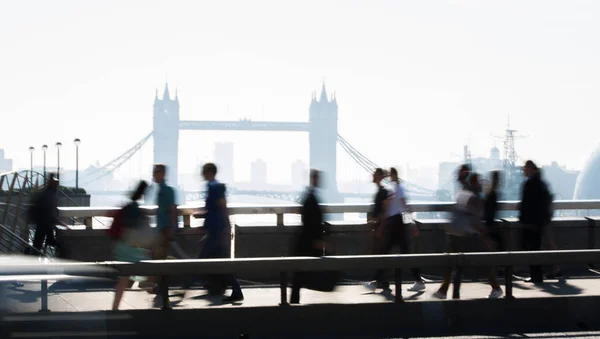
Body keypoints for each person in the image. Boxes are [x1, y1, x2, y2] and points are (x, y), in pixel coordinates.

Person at [433, 173, 503, 299]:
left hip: (462, 234)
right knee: (462, 264)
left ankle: (446, 291)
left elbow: (465, 216)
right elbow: (474, 219)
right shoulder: (473, 197)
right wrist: (485, 237)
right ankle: (448, 291)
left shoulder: (464, 193)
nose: (480, 184)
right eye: (478, 182)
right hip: (465, 234)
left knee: (454, 264)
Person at [366, 167, 426, 292]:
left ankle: (376, 281)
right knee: (399, 252)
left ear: (393, 175)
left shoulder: (398, 189)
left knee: (387, 251)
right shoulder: (395, 188)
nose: (388, 177)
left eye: (390, 175)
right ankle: (418, 281)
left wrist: (413, 224)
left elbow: (405, 206)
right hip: (395, 222)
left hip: (397, 223)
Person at [197, 163, 244, 303]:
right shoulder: (214, 186)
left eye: (204, 171)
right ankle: (234, 289)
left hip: (216, 231)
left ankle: (185, 288)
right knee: (219, 263)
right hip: (216, 230)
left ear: (209, 172)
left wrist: (226, 227)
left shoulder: (213, 187)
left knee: (202, 261)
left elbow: (221, 207)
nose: (202, 173)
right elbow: (218, 208)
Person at [111, 181, 154, 310]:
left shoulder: (130, 206)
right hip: (128, 248)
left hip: (121, 246)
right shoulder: (134, 209)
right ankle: (148, 286)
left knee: (124, 280)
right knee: (151, 266)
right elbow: (132, 231)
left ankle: (115, 308)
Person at [290, 169, 328, 304]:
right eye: (318, 178)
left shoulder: (310, 196)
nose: (320, 180)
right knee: (301, 274)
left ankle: (294, 301)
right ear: (313, 179)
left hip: (307, 241)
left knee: (300, 275)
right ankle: (294, 303)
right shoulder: (311, 198)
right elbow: (310, 222)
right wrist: (316, 240)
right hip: (308, 242)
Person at [145, 164, 178, 309]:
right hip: (160, 230)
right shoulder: (160, 190)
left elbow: (172, 209)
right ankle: (161, 291)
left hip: (164, 231)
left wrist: (170, 228)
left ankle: (165, 295)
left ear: (162, 174)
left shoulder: (167, 191)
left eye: (156, 172)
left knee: (161, 262)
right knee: (159, 260)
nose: (153, 175)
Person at [519, 160, 551, 284]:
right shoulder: (540, 183)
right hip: (537, 222)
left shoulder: (532, 183)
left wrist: (524, 219)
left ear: (529, 169)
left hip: (531, 223)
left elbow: (529, 204)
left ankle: (535, 276)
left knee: (533, 249)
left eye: (524, 169)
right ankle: (536, 275)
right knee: (534, 248)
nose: (523, 171)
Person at [27, 173, 68, 258]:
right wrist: (59, 222)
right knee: (46, 242)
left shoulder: (46, 193)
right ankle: (64, 253)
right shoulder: (50, 195)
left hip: (43, 224)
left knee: (38, 244)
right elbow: (49, 212)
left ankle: (34, 259)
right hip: (45, 224)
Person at [364, 168, 391, 290]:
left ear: (379, 176)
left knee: (381, 255)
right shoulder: (380, 191)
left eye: (375, 174)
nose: (373, 175)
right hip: (379, 227)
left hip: (382, 229)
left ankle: (377, 281)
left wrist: (380, 227)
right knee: (381, 255)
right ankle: (382, 282)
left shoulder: (383, 191)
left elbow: (385, 211)